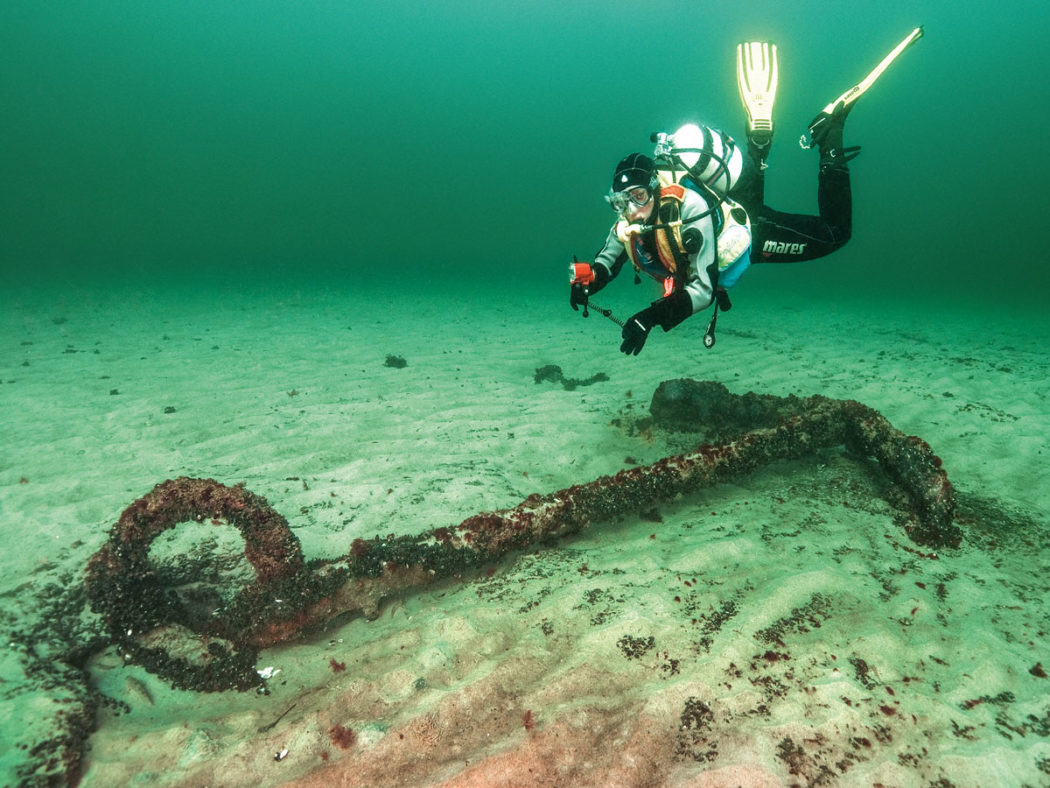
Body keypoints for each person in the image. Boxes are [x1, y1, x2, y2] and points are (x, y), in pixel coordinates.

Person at [570, 29, 923, 356]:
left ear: (655, 189)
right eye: (621, 202)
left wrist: (649, 318)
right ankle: (758, 144)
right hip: (734, 204)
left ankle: (830, 136)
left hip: (749, 235)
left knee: (836, 234)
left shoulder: (689, 211)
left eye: (638, 197)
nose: (631, 210)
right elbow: (609, 258)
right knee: (748, 194)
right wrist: (589, 283)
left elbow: (703, 291)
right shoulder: (627, 221)